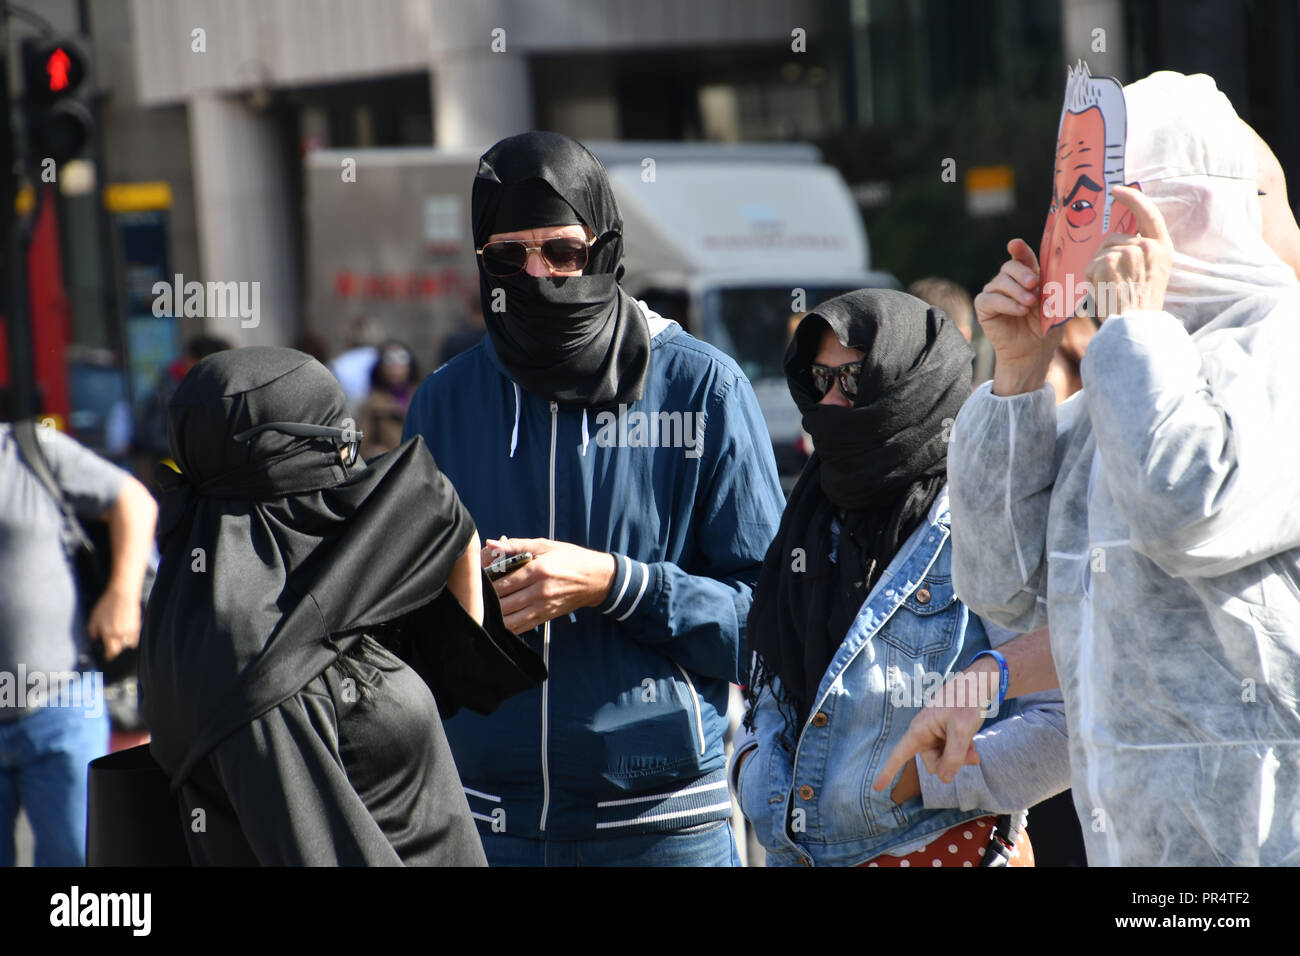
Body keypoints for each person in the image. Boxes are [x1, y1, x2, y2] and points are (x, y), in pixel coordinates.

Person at [940, 70, 1300, 865]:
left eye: (1092, 202)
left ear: (1168, 210)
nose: (1075, 235)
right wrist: (1016, 378)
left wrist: (1134, 334)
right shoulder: (1124, 375)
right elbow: (1000, 583)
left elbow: (1188, 512)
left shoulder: (1280, 350)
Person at [402, 130, 785, 866]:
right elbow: (405, 629)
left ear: (604, 249)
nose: (538, 275)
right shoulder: (444, 404)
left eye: (562, 253)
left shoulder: (701, 389)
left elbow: (773, 629)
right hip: (485, 831)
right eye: (507, 258)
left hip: (662, 831)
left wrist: (615, 583)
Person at [140, 347, 544, 865]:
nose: (355, 462)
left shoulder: (200, 595)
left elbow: (431, 505)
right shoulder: (264, 665)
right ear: (297, 459)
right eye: (341, 443)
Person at [731, 290, 1070, 867]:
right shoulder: (809, 514)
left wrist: (925, 779)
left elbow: (1063, 722)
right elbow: (770, 689)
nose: (833, 401)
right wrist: (752, 766)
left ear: (915, 382)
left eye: (856, 379)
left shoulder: (980, 516)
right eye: (820, 379)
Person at [0, 421, 157, 865]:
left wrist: (123, 595)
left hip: (63, 705)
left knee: (78, 867)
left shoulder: (28, 448)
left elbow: (134, 501)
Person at [358, 340, 421, 460]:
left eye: (402, 360)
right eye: (390, 361)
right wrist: (377, 453)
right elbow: (361, 445)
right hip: (390, 470)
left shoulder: (421, 398)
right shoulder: (371, 405)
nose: (395, 368)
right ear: (380, 367)